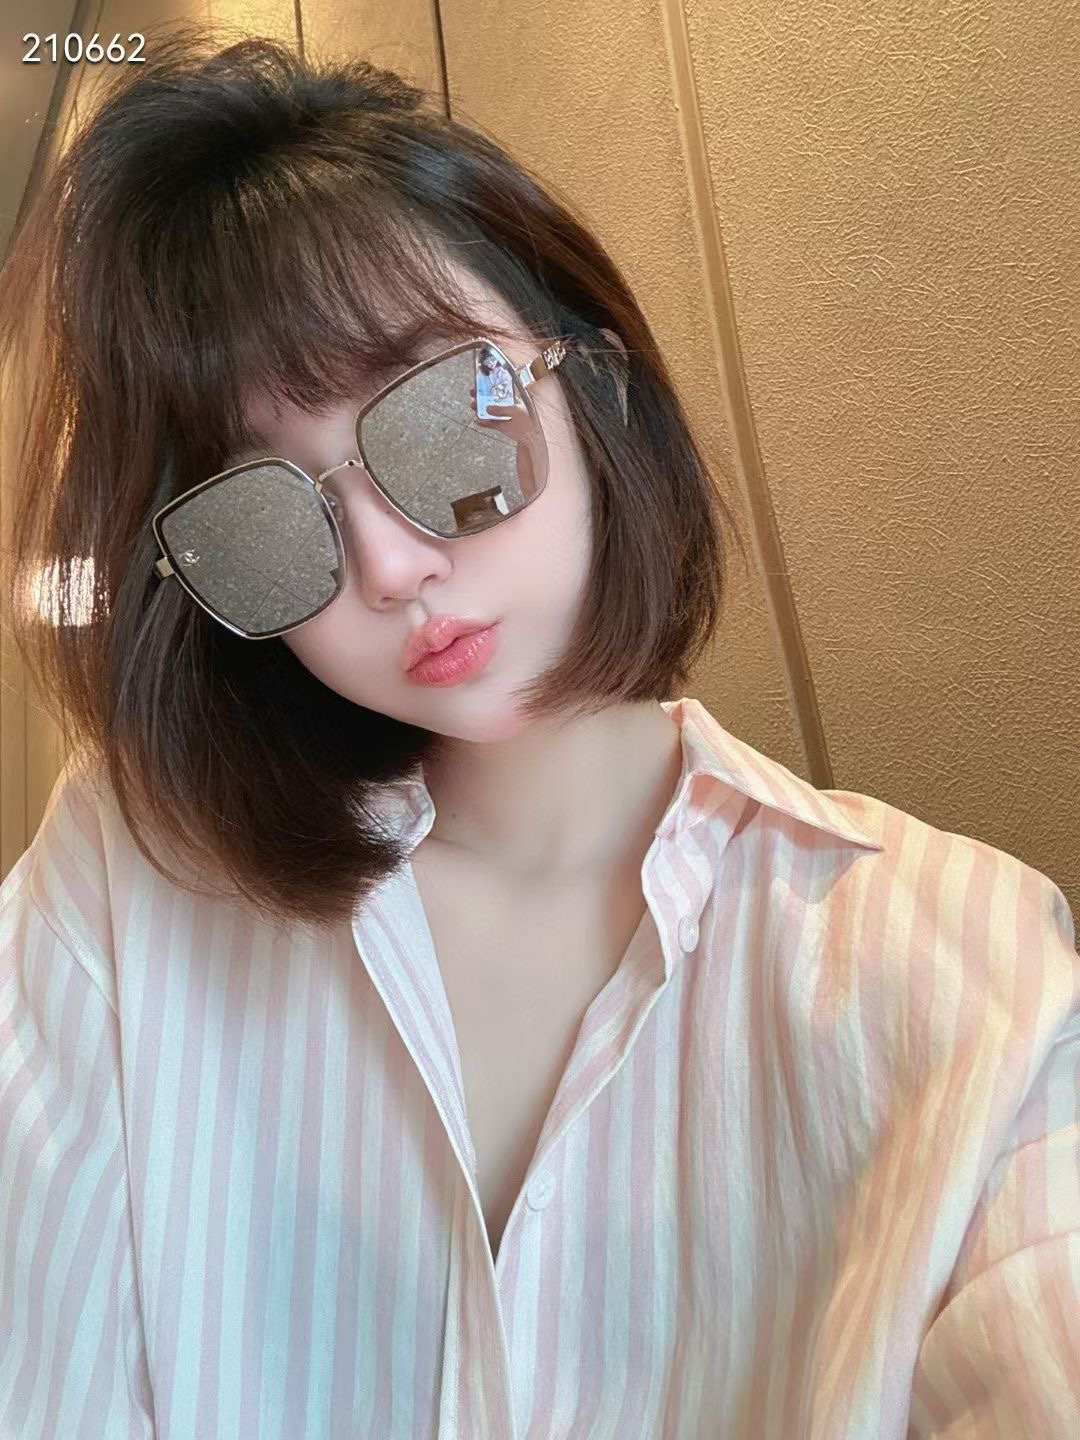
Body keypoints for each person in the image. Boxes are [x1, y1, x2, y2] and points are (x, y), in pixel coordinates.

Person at [0, 25, 1077, 1440]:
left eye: (445, 422)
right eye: (264, 522)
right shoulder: (125, 884)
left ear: (594, 373)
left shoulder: (961, 959)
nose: (392, 567)